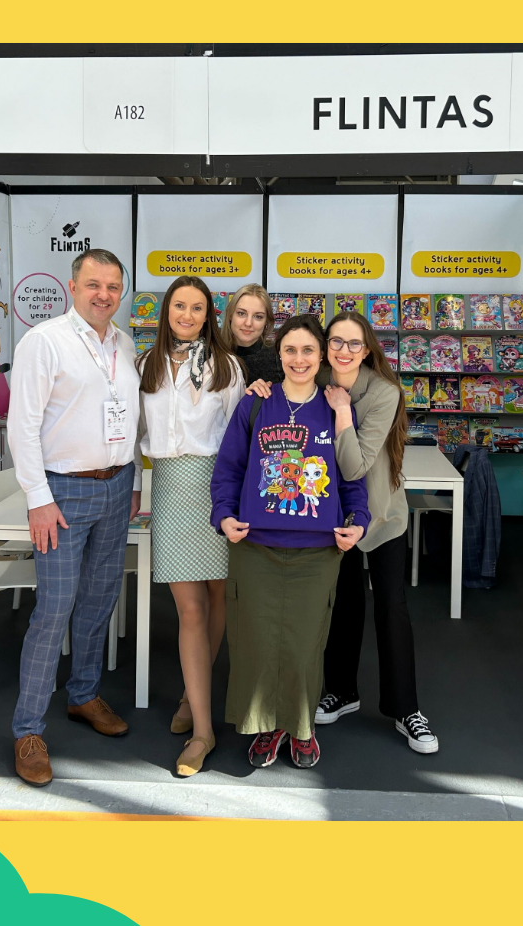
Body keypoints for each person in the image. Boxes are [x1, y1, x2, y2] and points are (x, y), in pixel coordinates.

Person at [248, 310, 439, 754]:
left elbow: (354, 466)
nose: (344, 351)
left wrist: (341, 412)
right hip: (335, 516)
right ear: (325, 346)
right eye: (336, 341)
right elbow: (283, 401)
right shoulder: (315, 376)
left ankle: (406, 709)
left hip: (382, 517)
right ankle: (341, 690)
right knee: (343, 604)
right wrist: (261, 388)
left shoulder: (384, 391)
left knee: (391, 607)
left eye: (354, 343)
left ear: (367, 349)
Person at [5, 248, 142, 787]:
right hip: (61, 493)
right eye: (93, 284)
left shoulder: (124, 344)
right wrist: (38, 497)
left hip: (116, 486)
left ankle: (83, 695)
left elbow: (128, 418)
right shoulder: (45, 342)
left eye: (112, 286)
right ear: (73, 286)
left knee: (100, 598)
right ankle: (28, 730)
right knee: (54, 609)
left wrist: (132, 479)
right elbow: (22, 425)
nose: (103, 295)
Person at [210, 314, 369, 769]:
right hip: (255, 547)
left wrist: (358, 521)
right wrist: (223, 515)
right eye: (290, 350)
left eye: (308, 350)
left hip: (317, 551)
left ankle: (301, 726)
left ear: (321, 356)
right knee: (256, 643)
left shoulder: (336, 407)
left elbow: (351, 477)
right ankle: (266, 726)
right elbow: (229, 469)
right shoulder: (256, 403)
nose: (299, 359)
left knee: (303, 646)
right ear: (278, 355)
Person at [135, 276, 245, 776]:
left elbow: (239, 437)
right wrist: (135, 486)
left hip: (217, 486)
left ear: (208, 316)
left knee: (219, 598)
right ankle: (203, 730)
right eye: (179, 305)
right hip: (171, 488)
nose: (187, 315)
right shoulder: (145, 365)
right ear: (166, 311)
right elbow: (132, 433)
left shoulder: (226, 366)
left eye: (197, 307)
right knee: (190, 609)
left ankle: (190, 695)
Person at [220, 282, 283, 385]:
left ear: (267, 321)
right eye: (241, 313)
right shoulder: (211, 353)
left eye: (258, 316)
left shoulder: (279, 356)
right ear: (230, 314)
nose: (248, 323)